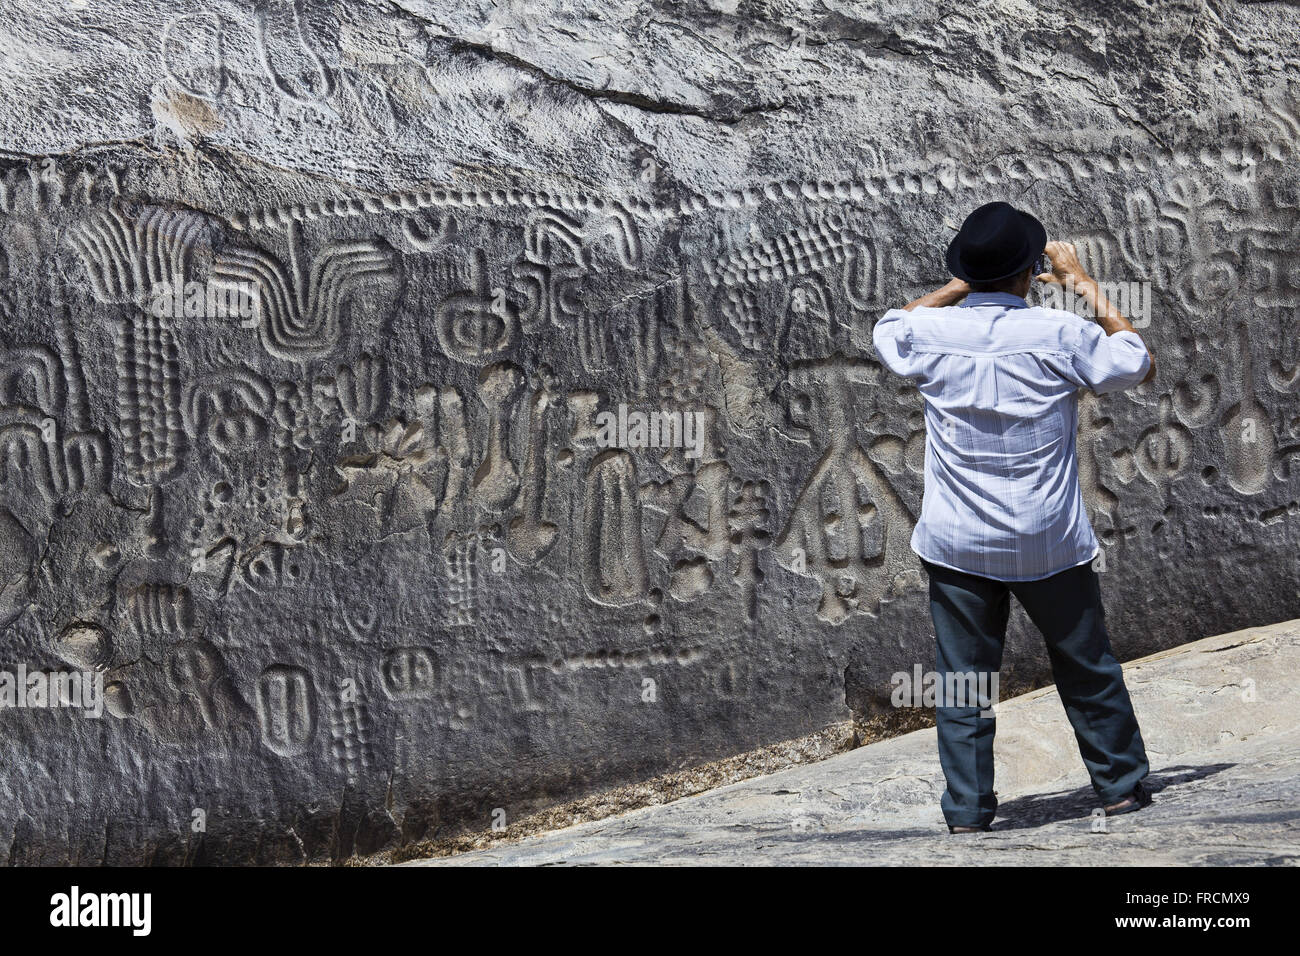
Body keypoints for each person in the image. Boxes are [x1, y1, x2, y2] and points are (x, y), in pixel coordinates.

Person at [871, 201, 1156, 833]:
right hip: (1047, 537)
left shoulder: (930, 334)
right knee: (1085, 664)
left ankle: (968, 811)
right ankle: (1120, 789)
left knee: (963, 683)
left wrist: (957, 286)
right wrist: (1084, 285)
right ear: (1031, 271)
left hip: (957, 542)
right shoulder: (1061, 333)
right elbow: (1137, 361)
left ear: (967, 270)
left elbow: (890, 326)